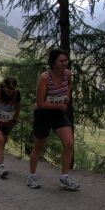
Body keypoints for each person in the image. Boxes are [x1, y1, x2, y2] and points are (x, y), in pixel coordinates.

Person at [27, 48, 80, 190]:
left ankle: (64, 177)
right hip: (43, 114)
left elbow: (68, 85)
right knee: (39, 148)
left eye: (66, 61)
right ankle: (31, 176)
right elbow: (40, 103)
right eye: (61, 61)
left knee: (69, 144)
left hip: (58, 114)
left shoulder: (67, 74)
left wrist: (67, 96)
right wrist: (60, 106)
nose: (64, 64)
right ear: (53, 63)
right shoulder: (45, 77)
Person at [0, 77, 21, 178]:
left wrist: (14, 121)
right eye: (8, 90)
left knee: (3, 141)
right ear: (4, 87)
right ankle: (2, 167)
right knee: (0, 140)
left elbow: (18, 108)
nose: (10, 93)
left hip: (7, 122)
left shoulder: (17, 93)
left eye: (12, 90)